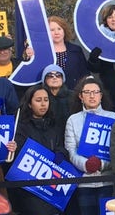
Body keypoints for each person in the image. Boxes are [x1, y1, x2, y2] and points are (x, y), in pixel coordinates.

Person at [6, 84, 69, 215]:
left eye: (46, 100)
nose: (43, 104)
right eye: (38, 100)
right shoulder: (19, 126)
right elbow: (14, 158)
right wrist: (13, 148)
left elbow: (61, 146)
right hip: (29, 191)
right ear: (29, 104)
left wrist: (61, 153)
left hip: (51, 189)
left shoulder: (53, 124)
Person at [65, 76, 115, 215]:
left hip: (108, 181)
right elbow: (71, 151)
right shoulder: (73, 120)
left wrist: (101, 164)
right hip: (84, 182)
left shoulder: (113, 117)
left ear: (101, 95)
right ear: (80, 96)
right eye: (87, 92)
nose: (92, 96)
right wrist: (86, 164)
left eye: (95, 92)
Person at [47, 16, 90, 90]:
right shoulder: (42, 52)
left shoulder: (76, 50)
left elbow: (84, 74)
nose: (56, 32)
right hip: (49, 95)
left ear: (64, 30)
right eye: (52, 30)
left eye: (59, 29)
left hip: (73, 94)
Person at [41, 64, 72, 139]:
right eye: (50, 75)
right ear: (45, 80)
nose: (54, 77)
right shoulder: (40, 96)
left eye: (58, 75)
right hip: (46, 137)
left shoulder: (73, 96)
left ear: (62, 78)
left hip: (69, 136)